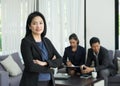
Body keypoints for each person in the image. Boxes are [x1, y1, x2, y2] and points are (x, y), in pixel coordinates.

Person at [19, 11, 62, 86]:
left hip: (49, 81)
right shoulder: (26, 42)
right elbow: (31, 66)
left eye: (41, 23)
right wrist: (50, 68)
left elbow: (60, 60)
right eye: (34, 23)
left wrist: (45, 63)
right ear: (29, 26)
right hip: (33, 82)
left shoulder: (47, 41)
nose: (38, 26)